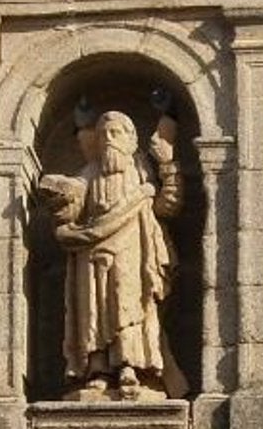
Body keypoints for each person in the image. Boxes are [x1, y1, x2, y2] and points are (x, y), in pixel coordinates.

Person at [35, 102, 184, 400]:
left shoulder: (143, 173)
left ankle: (131, 366)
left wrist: (168, 168)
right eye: (103, 134)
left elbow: (169, 206)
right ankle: (98, 369)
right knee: (95, 310)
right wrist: (60, 195)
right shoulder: (90, 173)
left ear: (131, 140)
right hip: (91, 255)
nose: (109, 140)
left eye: (116, 133)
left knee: (130, 306)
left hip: (135, 254)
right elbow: (73, 204)